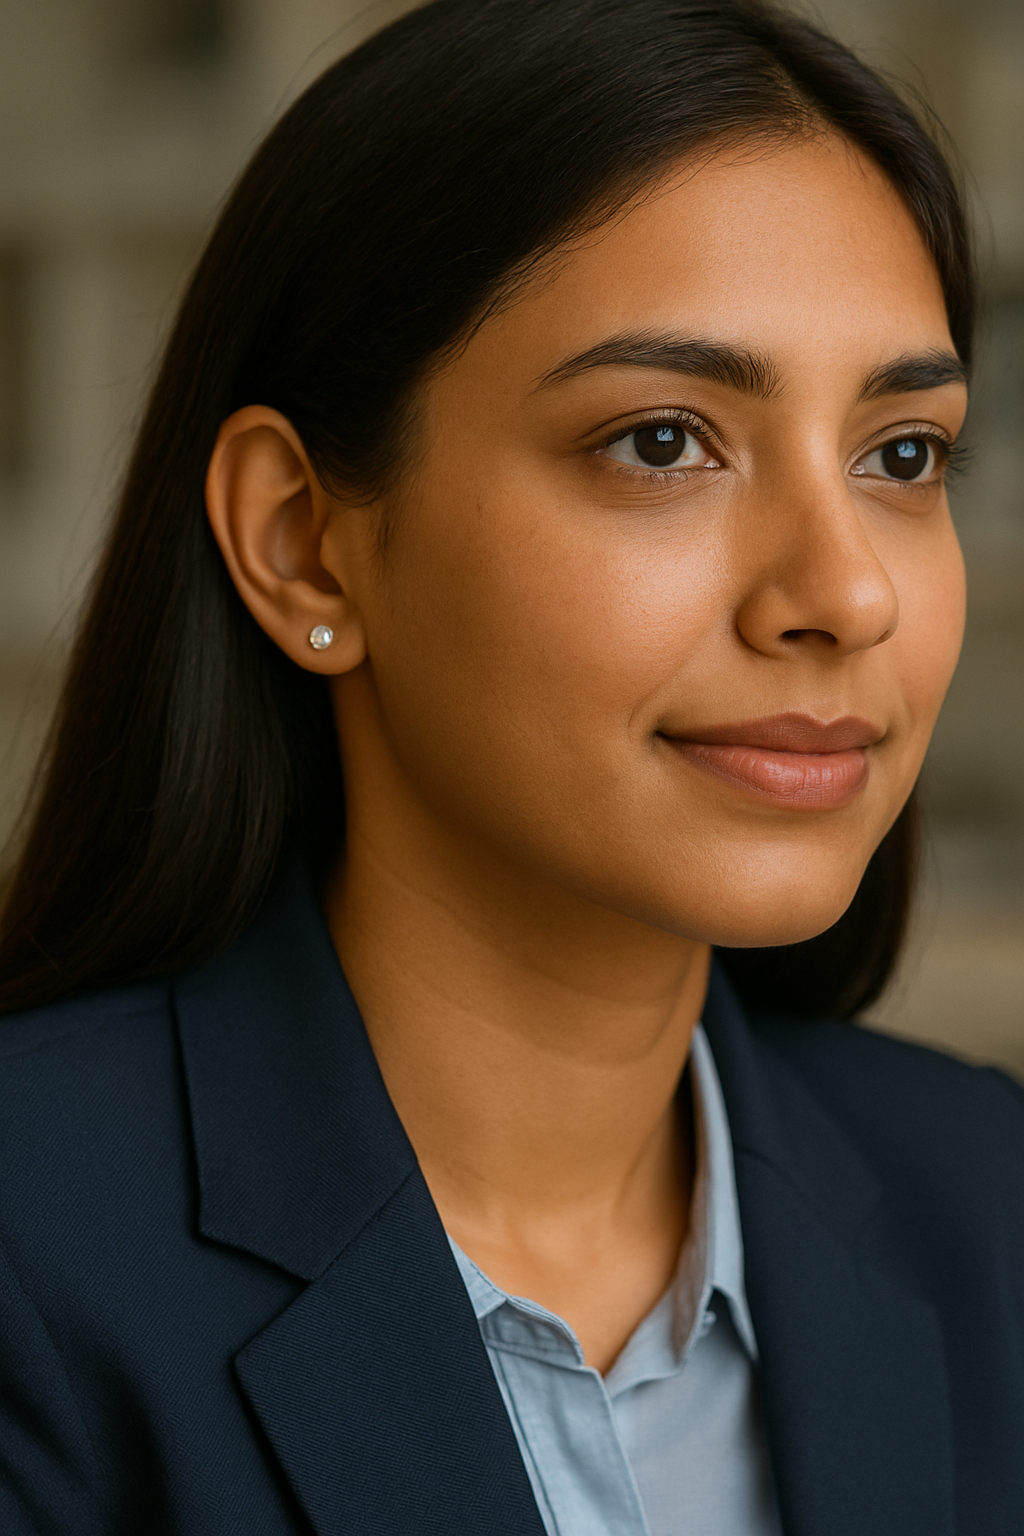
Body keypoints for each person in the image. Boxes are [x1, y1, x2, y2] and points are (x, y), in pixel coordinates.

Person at [0, 0, 1021, 1530]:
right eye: (664, 442)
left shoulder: (990, 1201)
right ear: (303, 545)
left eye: (901, 455)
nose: (849, 592)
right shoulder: (31, 1249)